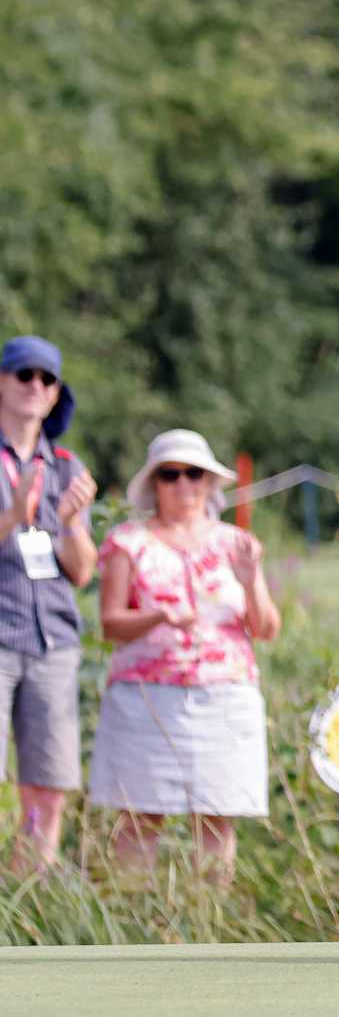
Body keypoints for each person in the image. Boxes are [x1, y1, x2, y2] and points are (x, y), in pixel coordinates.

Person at [88, 429, 280, 883]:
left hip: (224, 695)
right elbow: (111, 624)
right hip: (146, 699)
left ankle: (208, 912)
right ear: (154, 483)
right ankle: (132, 909)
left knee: (216, 815)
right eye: (170, 475)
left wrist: (251, 581)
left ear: (209, 482)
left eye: (194, 473)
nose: (183, 484)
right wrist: (158, 616)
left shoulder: (236, 543)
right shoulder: (127, 542)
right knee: (140, 815)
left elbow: (267, 628)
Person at [1, 336, 98, 875]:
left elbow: (82, 572)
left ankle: (29, 897)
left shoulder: (65, 465)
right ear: (2, 381)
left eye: (46, 378)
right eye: (24, 374)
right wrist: (13, 515)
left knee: (47, 785)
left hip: (52, 641)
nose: (35, 386)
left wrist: (69, 523)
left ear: (57, 393)